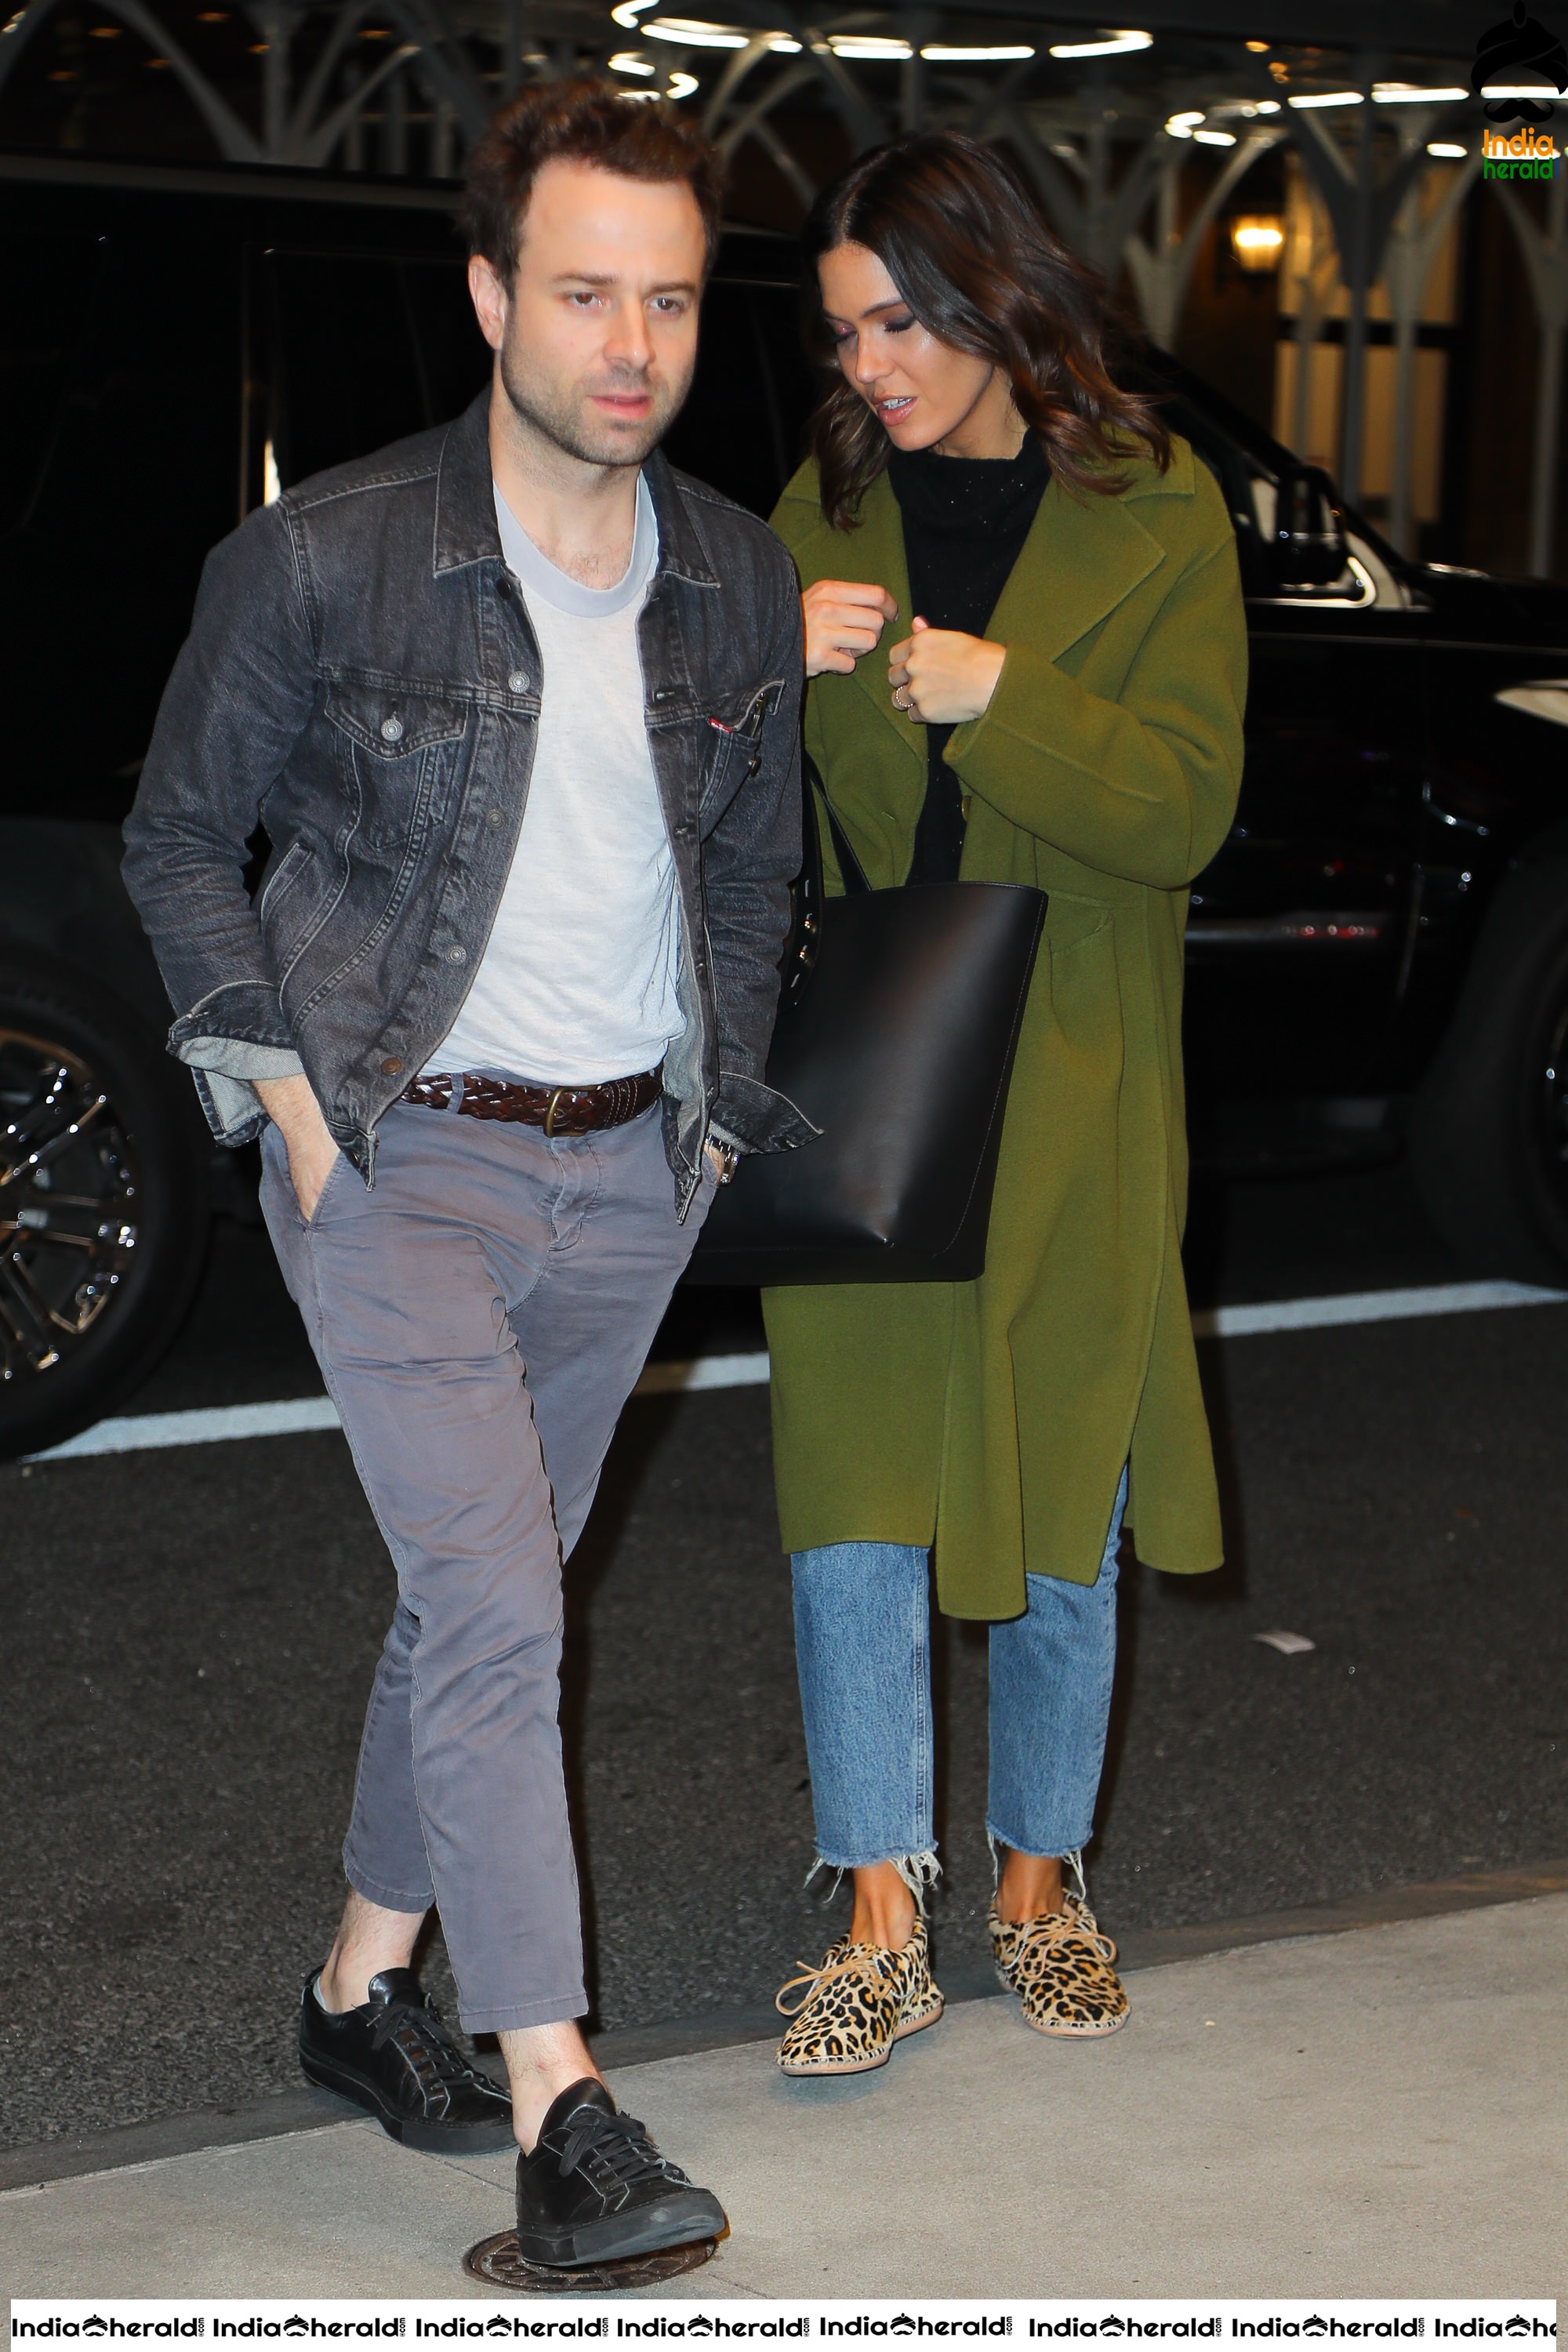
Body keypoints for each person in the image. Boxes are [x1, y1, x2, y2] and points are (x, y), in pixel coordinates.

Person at [122, 82, 810, 2264]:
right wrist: (294, 1110)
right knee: (509, 1605)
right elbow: (172, 840)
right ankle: (562, 2103)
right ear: (497, 293)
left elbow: (759, 865)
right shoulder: (329, 554)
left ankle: (354, 1990)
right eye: (588, 291)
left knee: (476, 1595)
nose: (633, 342)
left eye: (674, 301)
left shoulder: (734, 574)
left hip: (629, 1172)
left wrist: (709, 1119)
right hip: (397, 1150)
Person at [763, 132, 1247, 2076]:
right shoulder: (821, 501)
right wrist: (752, 664)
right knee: (853, 1490)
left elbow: (1188, 804)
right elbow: (724, 789)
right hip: (868, 1054)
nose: (867, 363)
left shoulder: (1156, 503)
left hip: (1072, 1062)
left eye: (897, 321)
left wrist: (1003, 698)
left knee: (1066, 1487)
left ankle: (1040, 1880)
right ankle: (880, 1900)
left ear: (991, 296)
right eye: (843, 330)